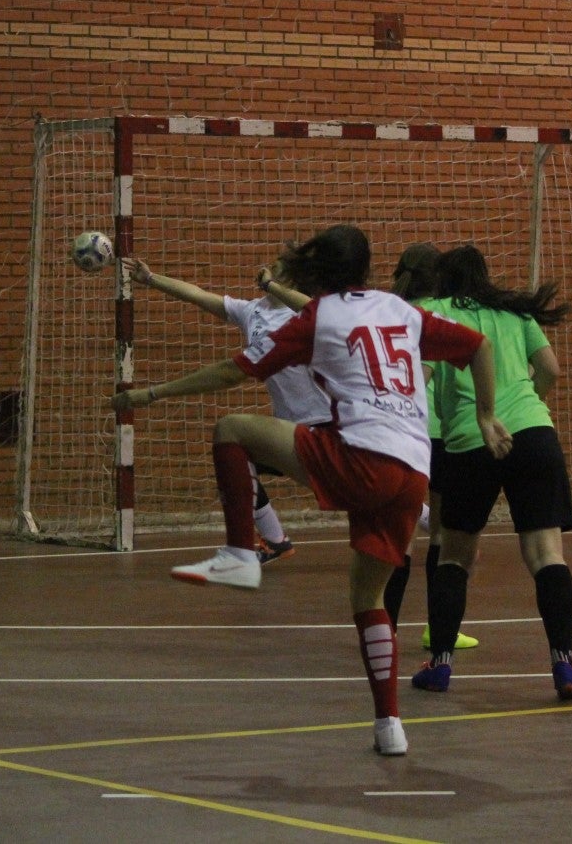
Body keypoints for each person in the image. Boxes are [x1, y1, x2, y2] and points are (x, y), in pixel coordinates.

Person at [112, 224, 511, 756]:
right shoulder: (400, 310)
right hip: (412, 474)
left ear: (316, 270)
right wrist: (487, 415)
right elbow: (479, 347)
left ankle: (240, 554)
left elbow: (232, 373)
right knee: (368, 598)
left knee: (231, 428)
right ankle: (389, 725)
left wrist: (151, 392)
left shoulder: (316, 318)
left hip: (357, 456)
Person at [411, 244, 572, 701]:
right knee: (547, 554)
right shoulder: (515, 313)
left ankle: (441, 664)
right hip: (533, 432)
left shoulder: (434, 311)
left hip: (472, 439)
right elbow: (550, 369)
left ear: (443, 282)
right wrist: (528, 407)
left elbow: (421, 374)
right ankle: (564, 664)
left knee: (455, 556)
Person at [125, 256, 327, 563]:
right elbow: (199, 295)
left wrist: (153, 394)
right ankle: (275, 540)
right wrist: (152, 278)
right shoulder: (253, 311)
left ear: (291, 282)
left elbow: (230, 372)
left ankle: (426, 522)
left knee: (370, 500)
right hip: (289, 428)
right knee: (236, 460)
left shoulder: (305, 315)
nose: (268, 267)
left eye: (278, 268)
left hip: (325, 426)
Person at [382, 242, 479, 652]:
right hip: (442, 433)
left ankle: (383, 630)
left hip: (398, 432)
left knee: (399, 535)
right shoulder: (439, 315)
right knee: (441, 536)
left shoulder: (385, 312)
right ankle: (437, 628)